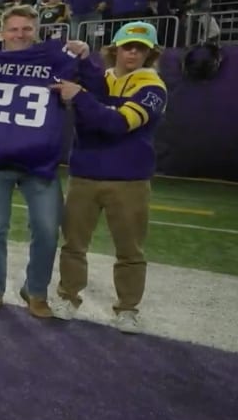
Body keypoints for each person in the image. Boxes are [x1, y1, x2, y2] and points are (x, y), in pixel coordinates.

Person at [0, 6, 99, 318]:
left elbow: (97, 90)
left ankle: (36, 290)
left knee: (45, 230)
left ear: (36, 31)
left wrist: (85, 59)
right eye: (13, 29)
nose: (19, 35)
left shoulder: (57, 61)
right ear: (2, 33)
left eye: (26, 29)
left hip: (39, 163)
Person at [52, 21, 168, 334]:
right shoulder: (101, 79)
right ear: (115, 48)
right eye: (128, 46)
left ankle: (128, 308)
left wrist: (82, 99)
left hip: (128, 180)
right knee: (73, 244)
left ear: (150, 53)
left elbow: (116, 124)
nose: (133, 53)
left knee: (129, 250)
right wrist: (86, 60)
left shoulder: (153, 86)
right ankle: (67, 296)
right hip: (85, 175)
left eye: (141, 48)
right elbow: (98, 99)